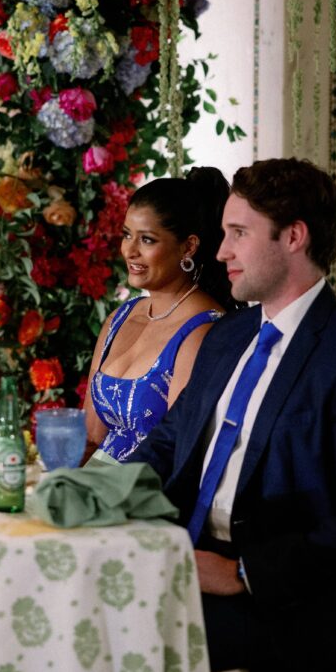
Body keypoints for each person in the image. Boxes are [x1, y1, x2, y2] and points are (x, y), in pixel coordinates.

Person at [131, 158, 336, 672]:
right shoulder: (228, 337)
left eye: (238, 233)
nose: (221, 253)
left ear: (294, 237)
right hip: (187, 559)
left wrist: (241, 574)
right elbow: (170, 440)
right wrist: (97, 492)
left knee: (119, 633)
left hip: (287, 601)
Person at [83, 166, 235, 462]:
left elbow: (179, 453)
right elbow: (91, 437)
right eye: (127, 235)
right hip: (96, 491)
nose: (129, 251)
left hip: (149, 497)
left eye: (147, 240)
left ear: (188, 247)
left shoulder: (204, 329)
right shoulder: (120, 318)